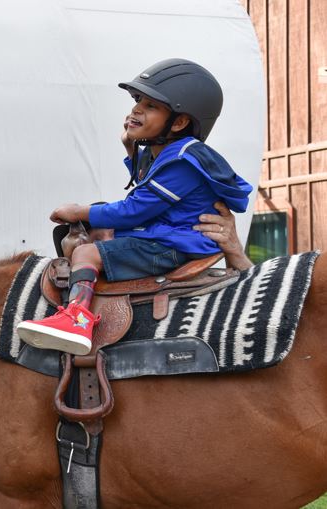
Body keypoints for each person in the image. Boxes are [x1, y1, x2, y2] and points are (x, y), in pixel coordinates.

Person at [16, 59, 254, 355]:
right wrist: (131, 148)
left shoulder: (182, 164)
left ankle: (76, 318)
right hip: (167, 234)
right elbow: (144, 180)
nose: (136, 109)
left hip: (173, 243)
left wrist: (80, 211)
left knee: (88, 250)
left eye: (151, 105)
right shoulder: (166, 153)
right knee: (102, 229)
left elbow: (135, 209)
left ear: (178, 122)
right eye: (138, 100)